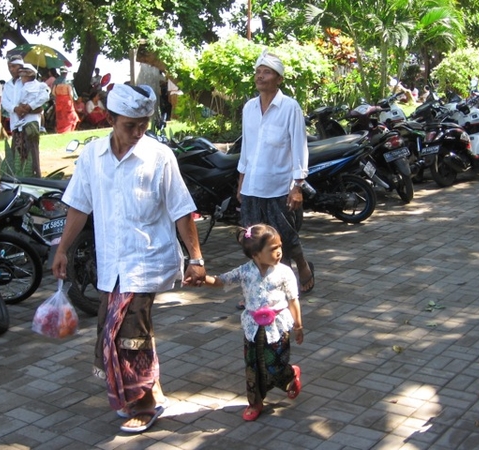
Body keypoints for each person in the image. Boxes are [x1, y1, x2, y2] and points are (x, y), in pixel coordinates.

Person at [51, 83, 206, 434]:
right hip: (112, 265)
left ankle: (145, 404)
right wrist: (62, 250)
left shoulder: (159, 155)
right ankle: (152, 391)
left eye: (144, 124)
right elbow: (78, 206)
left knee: (130, 333)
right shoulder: (92, 156)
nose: (138, 132)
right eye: (130, 125)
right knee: (112, 327)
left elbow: (182, 210)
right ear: (110, 118)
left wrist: (195, 257)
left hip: (147, 261)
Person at [188, 224, 303, 421]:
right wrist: (201, 279)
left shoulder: (284, 272)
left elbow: (293, 299)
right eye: (273, 249)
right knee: (252, 365)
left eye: (280, 247)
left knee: (275, 364)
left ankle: (290, 374)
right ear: (256, 254)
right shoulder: (244, 271)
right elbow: (221, 281)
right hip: (252, 327)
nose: (279, 252)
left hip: (277, 327)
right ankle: (255, 402)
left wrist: (298, 326)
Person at [237, 50, 315, 299]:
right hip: (252, 186)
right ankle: (258, 289)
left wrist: (297, 186)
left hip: (280, 185)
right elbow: (246, 149)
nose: (260, 76)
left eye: (267, 72)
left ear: (279, 78)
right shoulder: (249, 108)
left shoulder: (290, 107)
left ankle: (301, 265)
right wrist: (240, 181)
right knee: (253, 241)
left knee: (286, 237)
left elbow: (299, 147)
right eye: (258, 72)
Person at [1, 57, 49, 177]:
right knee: (16, 154)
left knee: (32, 154)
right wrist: (15, 108)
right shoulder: (7, 85)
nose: (11, 69)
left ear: (20, 67)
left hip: (30, 124)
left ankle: (35, 179)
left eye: (14, 66)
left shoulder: (32, 83)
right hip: (16, 124)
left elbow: (44, 95)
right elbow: (4, 102)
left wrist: (29, 107)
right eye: (9, 67)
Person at [52, 66, 80, 133]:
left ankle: (60, 130)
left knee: (60, 116)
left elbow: (53, 92)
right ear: (66, 73)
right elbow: (70, 93)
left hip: (59, 100)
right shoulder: (68, 82)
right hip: (67, 101)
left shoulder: (56, 82)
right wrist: (72, 101)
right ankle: (68, 130)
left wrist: (58, 97)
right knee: (70, 115)